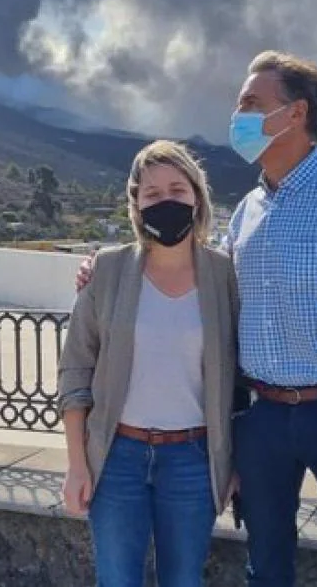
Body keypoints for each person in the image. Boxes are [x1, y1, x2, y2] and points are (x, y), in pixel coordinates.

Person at [77, 51, 317, 586]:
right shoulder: (249, 210)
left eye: (251, 104)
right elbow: (197, 271)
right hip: (262, 419)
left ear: (296, 113)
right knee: (266, 561)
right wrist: (101, 271)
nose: (238, 116)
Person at [57, 139, 240, 587]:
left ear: (197, 197)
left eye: (177, 190)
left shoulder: (224, 275)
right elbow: (76, 370)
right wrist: (77, 465)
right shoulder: (108, 270)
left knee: (184, 581)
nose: (166, 201)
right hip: (118, 457)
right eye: (152, 194)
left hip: (193, 460)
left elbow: (240, 378)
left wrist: (234, 462)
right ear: (136, 204)